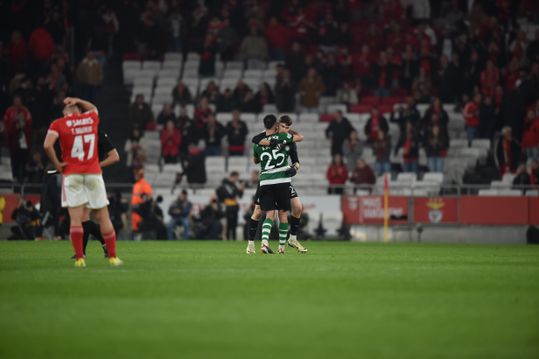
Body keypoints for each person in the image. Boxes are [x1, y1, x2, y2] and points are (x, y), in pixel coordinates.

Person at [43, 97, 122, 267]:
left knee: (77, 218)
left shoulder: (60, 124)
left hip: (74, 174)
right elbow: (94, 108)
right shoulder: (91, 122)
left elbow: (115, 156)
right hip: (92, 174)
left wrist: (58, 164)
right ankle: (109, 254)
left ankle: (80, 257)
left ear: (70, 112)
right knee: (98, 217)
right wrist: (77, 100)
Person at [248, 115, 307, 254]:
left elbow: (296, 160)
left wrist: (295, 168)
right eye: (283, 126)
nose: (285, 129)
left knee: (295, 208)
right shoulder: (281, 138)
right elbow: (300, 136)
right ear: (277, 125)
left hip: (281, 177)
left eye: (288, 128)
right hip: (273, 178)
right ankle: (252, 244)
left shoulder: (266, 140)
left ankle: (286, 242)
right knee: (261, 212)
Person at [3, 95, 32, 182]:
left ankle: (24, 177)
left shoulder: (25, 111)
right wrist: (14, 122)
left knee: (23, 159)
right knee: (14, 160)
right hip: (13, 141)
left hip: (24, 141)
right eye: (15, 101)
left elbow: (29, 125)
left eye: (18, 101)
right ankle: (14, 176)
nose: (17, 103)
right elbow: (6, 125)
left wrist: (23, 124)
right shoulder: (9, 111)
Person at [216, 172, 244, 240]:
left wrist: (242, 188)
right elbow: (219, 195)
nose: (237, 179)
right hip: (227, 207)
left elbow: (239, 196)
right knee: (228, 224)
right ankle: (227, 238)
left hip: (234, 206)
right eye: (236, 178)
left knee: (234, 224)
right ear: (233, 177)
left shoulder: (234, 185)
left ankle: (234, 238)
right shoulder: (224, 185)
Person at [131, 168, 153, 239]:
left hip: (140, 208)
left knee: (139, 224)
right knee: (135, 224)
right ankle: (136, 238)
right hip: (135, 207)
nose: (135, 176)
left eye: (136, 175)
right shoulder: (136, 184)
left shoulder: (144, 184)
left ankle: (140, 238)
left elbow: (149, 196)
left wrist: (143, 202)